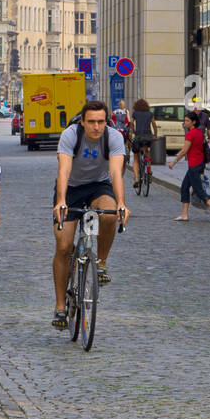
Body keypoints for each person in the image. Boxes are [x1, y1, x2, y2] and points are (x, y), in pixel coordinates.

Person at [52, 99, 130, 325]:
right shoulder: (70, 135)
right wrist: (61, 201)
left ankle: (101, 263)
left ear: (107, 121)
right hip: (71, 187)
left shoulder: (113, 137)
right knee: (64, 246)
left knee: (109, 213)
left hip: (98, 185)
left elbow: (115, 172)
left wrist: (122, 203)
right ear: (83, 122)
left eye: (101, 122)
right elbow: (64, 171)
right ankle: (59, 307)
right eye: (92, 122)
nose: (96, 127)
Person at [169, 110, 210, 223]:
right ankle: (184, 215)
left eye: (187, 121)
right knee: (184, 187)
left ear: (193, 122)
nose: (185, 122)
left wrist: (174, 162)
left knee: (199, 190)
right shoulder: (200, 133)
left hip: (194, 165)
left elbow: (184, 151)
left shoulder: (190, 134)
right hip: (199, 164)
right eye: (185, 120)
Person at [129, 97, 157, 189]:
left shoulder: (135, 113)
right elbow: (154, 125)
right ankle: (149, 169)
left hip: (138, 137)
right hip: (148, 137)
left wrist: (133, 130)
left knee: (136, 158)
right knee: (147, 152)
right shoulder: (150, 114)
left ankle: (137, 179)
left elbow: (131, 123)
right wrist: (155, 135)